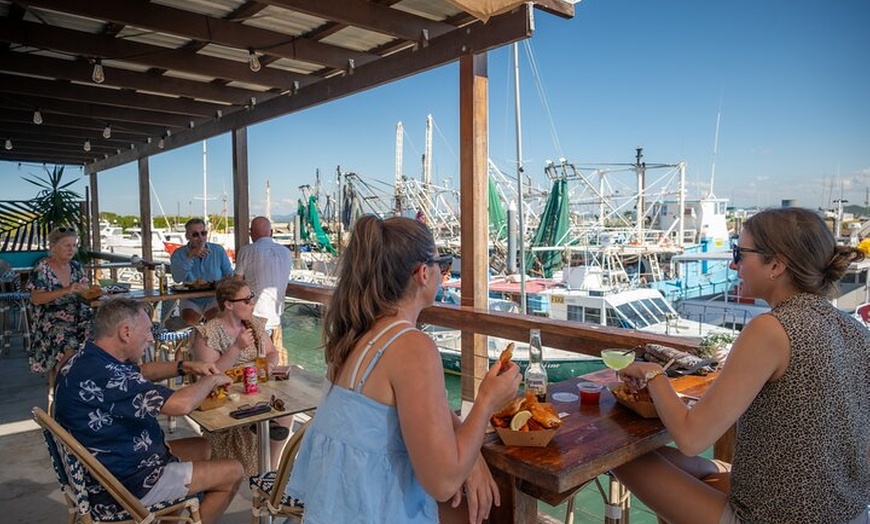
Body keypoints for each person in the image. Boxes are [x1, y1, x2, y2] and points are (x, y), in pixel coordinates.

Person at [613, 207, 870, 524]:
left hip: (779, 518)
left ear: (776, 264)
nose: (734, 264)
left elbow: (692, 439)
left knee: (620, 459)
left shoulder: (773, 329)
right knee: (684, 464)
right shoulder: (854, 330)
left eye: (740, 253)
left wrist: (653, 376)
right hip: (851, 513)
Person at [287, 215, 522, 524]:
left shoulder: (356, 336)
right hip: (376, 512)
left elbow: (425, 411)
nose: (444, 272)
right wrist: (487, 402)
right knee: (497, 513)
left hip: (339, 510)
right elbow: (443, 483)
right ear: (424, 273)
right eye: (444, 263)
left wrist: (471, 452)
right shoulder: (412, 347)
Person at [54, 297, 244, 524]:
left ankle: (167, 514)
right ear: (126, 332)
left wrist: (184, 366)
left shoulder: (88, 358)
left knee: (201, 446)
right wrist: (211, 379)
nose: (151, 338)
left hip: (106, 468)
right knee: (233, 471)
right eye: (147, 331)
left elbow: (142, 371)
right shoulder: (112, 377)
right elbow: (181, 405)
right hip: (124, 486)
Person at [191, 278, 291, 473]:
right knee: (264, 413)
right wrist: (236, 347)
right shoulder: (208, 333)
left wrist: (268, 366)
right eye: (247, 301)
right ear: (229, 305)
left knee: (285, 414)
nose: (252, 304)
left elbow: (272, 353)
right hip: (225, 393)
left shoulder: (253, 325)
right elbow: (210, 374)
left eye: (251, 298)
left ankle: (270, 470)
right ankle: (260, 455)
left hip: (255, 387)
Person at [27, 227, 93, 380]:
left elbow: (86, 292)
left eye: (74, 245)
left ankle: (88, 381)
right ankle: (64, 387)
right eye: (67, 245)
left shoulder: (76, 267)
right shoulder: (42, 268)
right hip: (51, 320)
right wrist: (66, 290)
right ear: (53, 247)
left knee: (99, 332)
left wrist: (87, 291)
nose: (72, 249)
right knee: (66, 342)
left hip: (79, 316)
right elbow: (36, 298)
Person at [233, 216, 292, 348]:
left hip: (253, 315)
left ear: (251, 233)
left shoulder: (246, 251)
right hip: (275, 316)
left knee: (255, 355)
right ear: (271, 233)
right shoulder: (286, 252)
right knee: (268, 355)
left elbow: (236, 284)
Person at [169, 218, 233, 325]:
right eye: (195, 234)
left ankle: (210, 341)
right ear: (187, 236)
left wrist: (222, 283)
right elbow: (177, 278)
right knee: (188, 322)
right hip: (190, 298)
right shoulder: (179, 254)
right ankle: (190, 341)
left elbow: (229, 274)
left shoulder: (217, 250)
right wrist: (190, 256)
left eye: (203, 233)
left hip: (214, 297)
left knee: (217, 322)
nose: (200, 238)